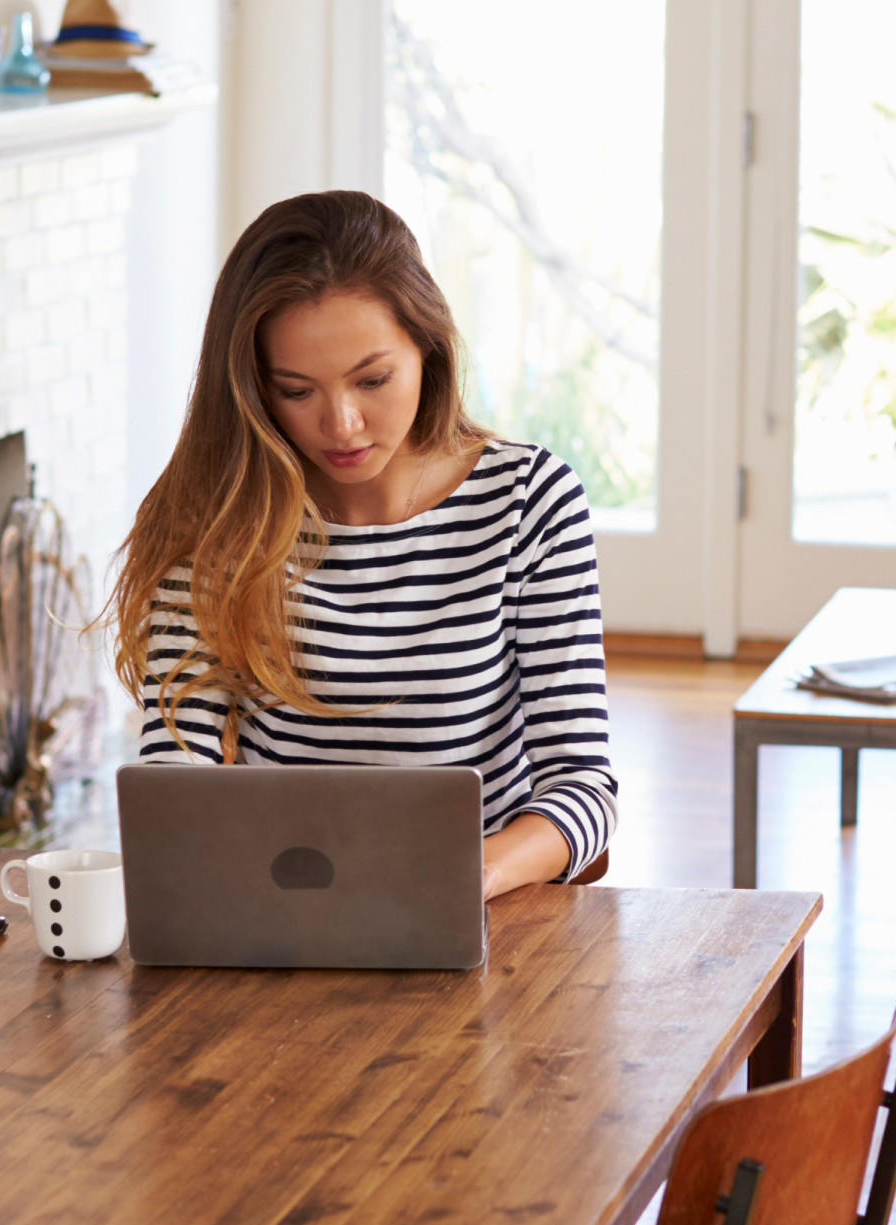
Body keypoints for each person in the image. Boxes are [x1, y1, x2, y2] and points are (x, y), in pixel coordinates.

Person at [106, 190, 617, 900]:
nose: (342, 424)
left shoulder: (528, 501)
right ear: (254, 388)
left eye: (372, 380)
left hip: (483, 923)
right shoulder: (219, 520)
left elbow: (583, 788)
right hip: (279, 916)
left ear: (427, 348)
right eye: (296, 390)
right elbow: (175, 776)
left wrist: (468, 876)